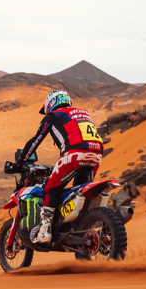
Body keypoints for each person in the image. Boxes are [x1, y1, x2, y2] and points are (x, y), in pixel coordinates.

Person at [15, 90, 104, 243]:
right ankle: (79, 230)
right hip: (96, 154)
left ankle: (45, 231)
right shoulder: (84, 114)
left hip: (74, 154)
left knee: (50, 188)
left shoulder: (53, 116)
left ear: (51, 103)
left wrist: (22, 160)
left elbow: (36, 140)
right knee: (80, 190)